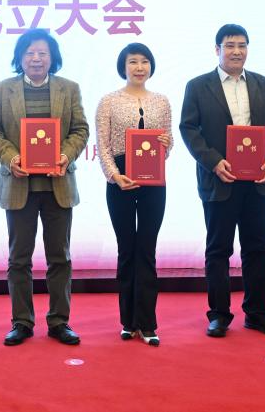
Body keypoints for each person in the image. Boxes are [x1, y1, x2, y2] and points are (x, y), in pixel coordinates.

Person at [0, 28, 89, 346]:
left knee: (60, 258)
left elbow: (80, 129)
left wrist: (65, 155)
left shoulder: (69, 89)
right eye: (29, 53)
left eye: (43, 53)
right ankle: (22, 321)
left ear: (52, 57)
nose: (36, 58)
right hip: (20, 186)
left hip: (58, 185)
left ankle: (59, 321)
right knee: (19, 259)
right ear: (20, 57)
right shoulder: (2, 90)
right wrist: (11, 158)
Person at [180, 25, 265, 338]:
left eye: (242, 45)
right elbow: (189, 129)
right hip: (219, 180)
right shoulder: (198, 86)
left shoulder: (263, 84)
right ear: (218, 50)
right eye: (229, 45)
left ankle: (258, 313)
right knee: (218, 250)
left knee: (257, 248)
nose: (236, 51)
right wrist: (214, 162)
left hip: (257, 181)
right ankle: (219, 315)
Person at [95, 43, 171, 346]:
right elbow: (102, 145)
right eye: (133, 62)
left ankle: (148, 323)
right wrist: (115, 176)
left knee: (147, 250)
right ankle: (128, 321)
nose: (139, 67)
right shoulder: (108, 101)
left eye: (144, 62)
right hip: (120, 180)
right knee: (126, 249)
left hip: (154, 180)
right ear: (123, 66)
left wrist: (165, 144)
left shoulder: (162, 101)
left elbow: (167, 144)